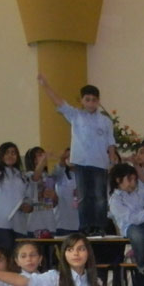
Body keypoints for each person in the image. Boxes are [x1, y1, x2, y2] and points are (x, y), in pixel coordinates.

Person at [38, 74, 118, 235]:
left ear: (98, 101)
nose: (91, 103)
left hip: (100, 163)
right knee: (83, 196)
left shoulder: (106, 121)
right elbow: (59, 102)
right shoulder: (75, 115)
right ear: (82, 101)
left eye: (94, 100)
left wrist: (112, 160)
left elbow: (111, 143)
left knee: (99, 196)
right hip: (81, 163)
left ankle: (100, 226)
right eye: (87, 99)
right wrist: (46, 85)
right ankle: (86, 226)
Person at [24, 147, 59, 239]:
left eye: (43, 155)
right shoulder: (28, 175)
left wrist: (54, 197)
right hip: (33, 226)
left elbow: (53, 204)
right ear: (33, 160)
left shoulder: (48, 177)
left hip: (50, 225)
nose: (44, 157)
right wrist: (44, 160)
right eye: (40, 155)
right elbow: (35, 176)